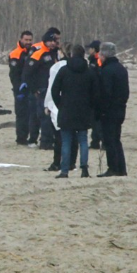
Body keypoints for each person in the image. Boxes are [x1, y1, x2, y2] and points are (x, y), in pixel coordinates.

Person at [52, 45, 100, 179]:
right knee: (83, 141)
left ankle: (64, 170)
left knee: (66, 141)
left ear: (71, 54)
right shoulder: (90, 71)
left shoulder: (63, 70)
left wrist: (60, 104)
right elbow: (96, 93)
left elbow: (54, 91)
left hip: (66, 109)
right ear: (83, 54)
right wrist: (91, 108)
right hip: (84, 110)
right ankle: (84, 169)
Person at [21, 29, 61, 150]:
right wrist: (34, 89)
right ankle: (44, 142)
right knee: (43, 116)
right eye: (51, 41)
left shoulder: (53, 53)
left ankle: (49, 140)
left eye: (55, 41)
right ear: (46, 41)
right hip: (42, 89)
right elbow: (27, 73)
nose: (54, 43)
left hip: (51, 89)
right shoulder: (39, 53)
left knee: (50, 115)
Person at [43, 43, 78, 173]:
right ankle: (72, 162)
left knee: (59, 137)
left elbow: (51, 88)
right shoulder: (80, 66)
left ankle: (57, 162)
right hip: (75, 105)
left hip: (59, 105)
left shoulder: (56, 67)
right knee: (74, 136)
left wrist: (47, 104)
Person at [97, 42, 129, 177]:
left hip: (110, 111)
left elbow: (106, 93)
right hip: (120, 108)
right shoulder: (121, 68)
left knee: (109, 140)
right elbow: (126, 91)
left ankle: (113, 168)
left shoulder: (107, 71)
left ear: (103, 55)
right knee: (116, 139)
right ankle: (121, 168)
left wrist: (102, 110)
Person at [9, 30, 34, 145]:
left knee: (31, 114)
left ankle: (30, 137)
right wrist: (18, 89)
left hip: (31, 87)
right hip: (19, 88)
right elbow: (14, 75)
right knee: (21, 114)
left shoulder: (33, 52)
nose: (28, 42)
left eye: (30, 40)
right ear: (21, 39)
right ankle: (21, 138)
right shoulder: (15, 54)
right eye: (26, 40)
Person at [86, 40, 103, 149]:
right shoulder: (95, 60)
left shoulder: (96, 61)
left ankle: (97, 140)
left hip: (96, 93)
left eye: (90, 48)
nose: (89, 50)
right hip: (97, 93)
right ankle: (95, 140)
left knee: (96, 119)